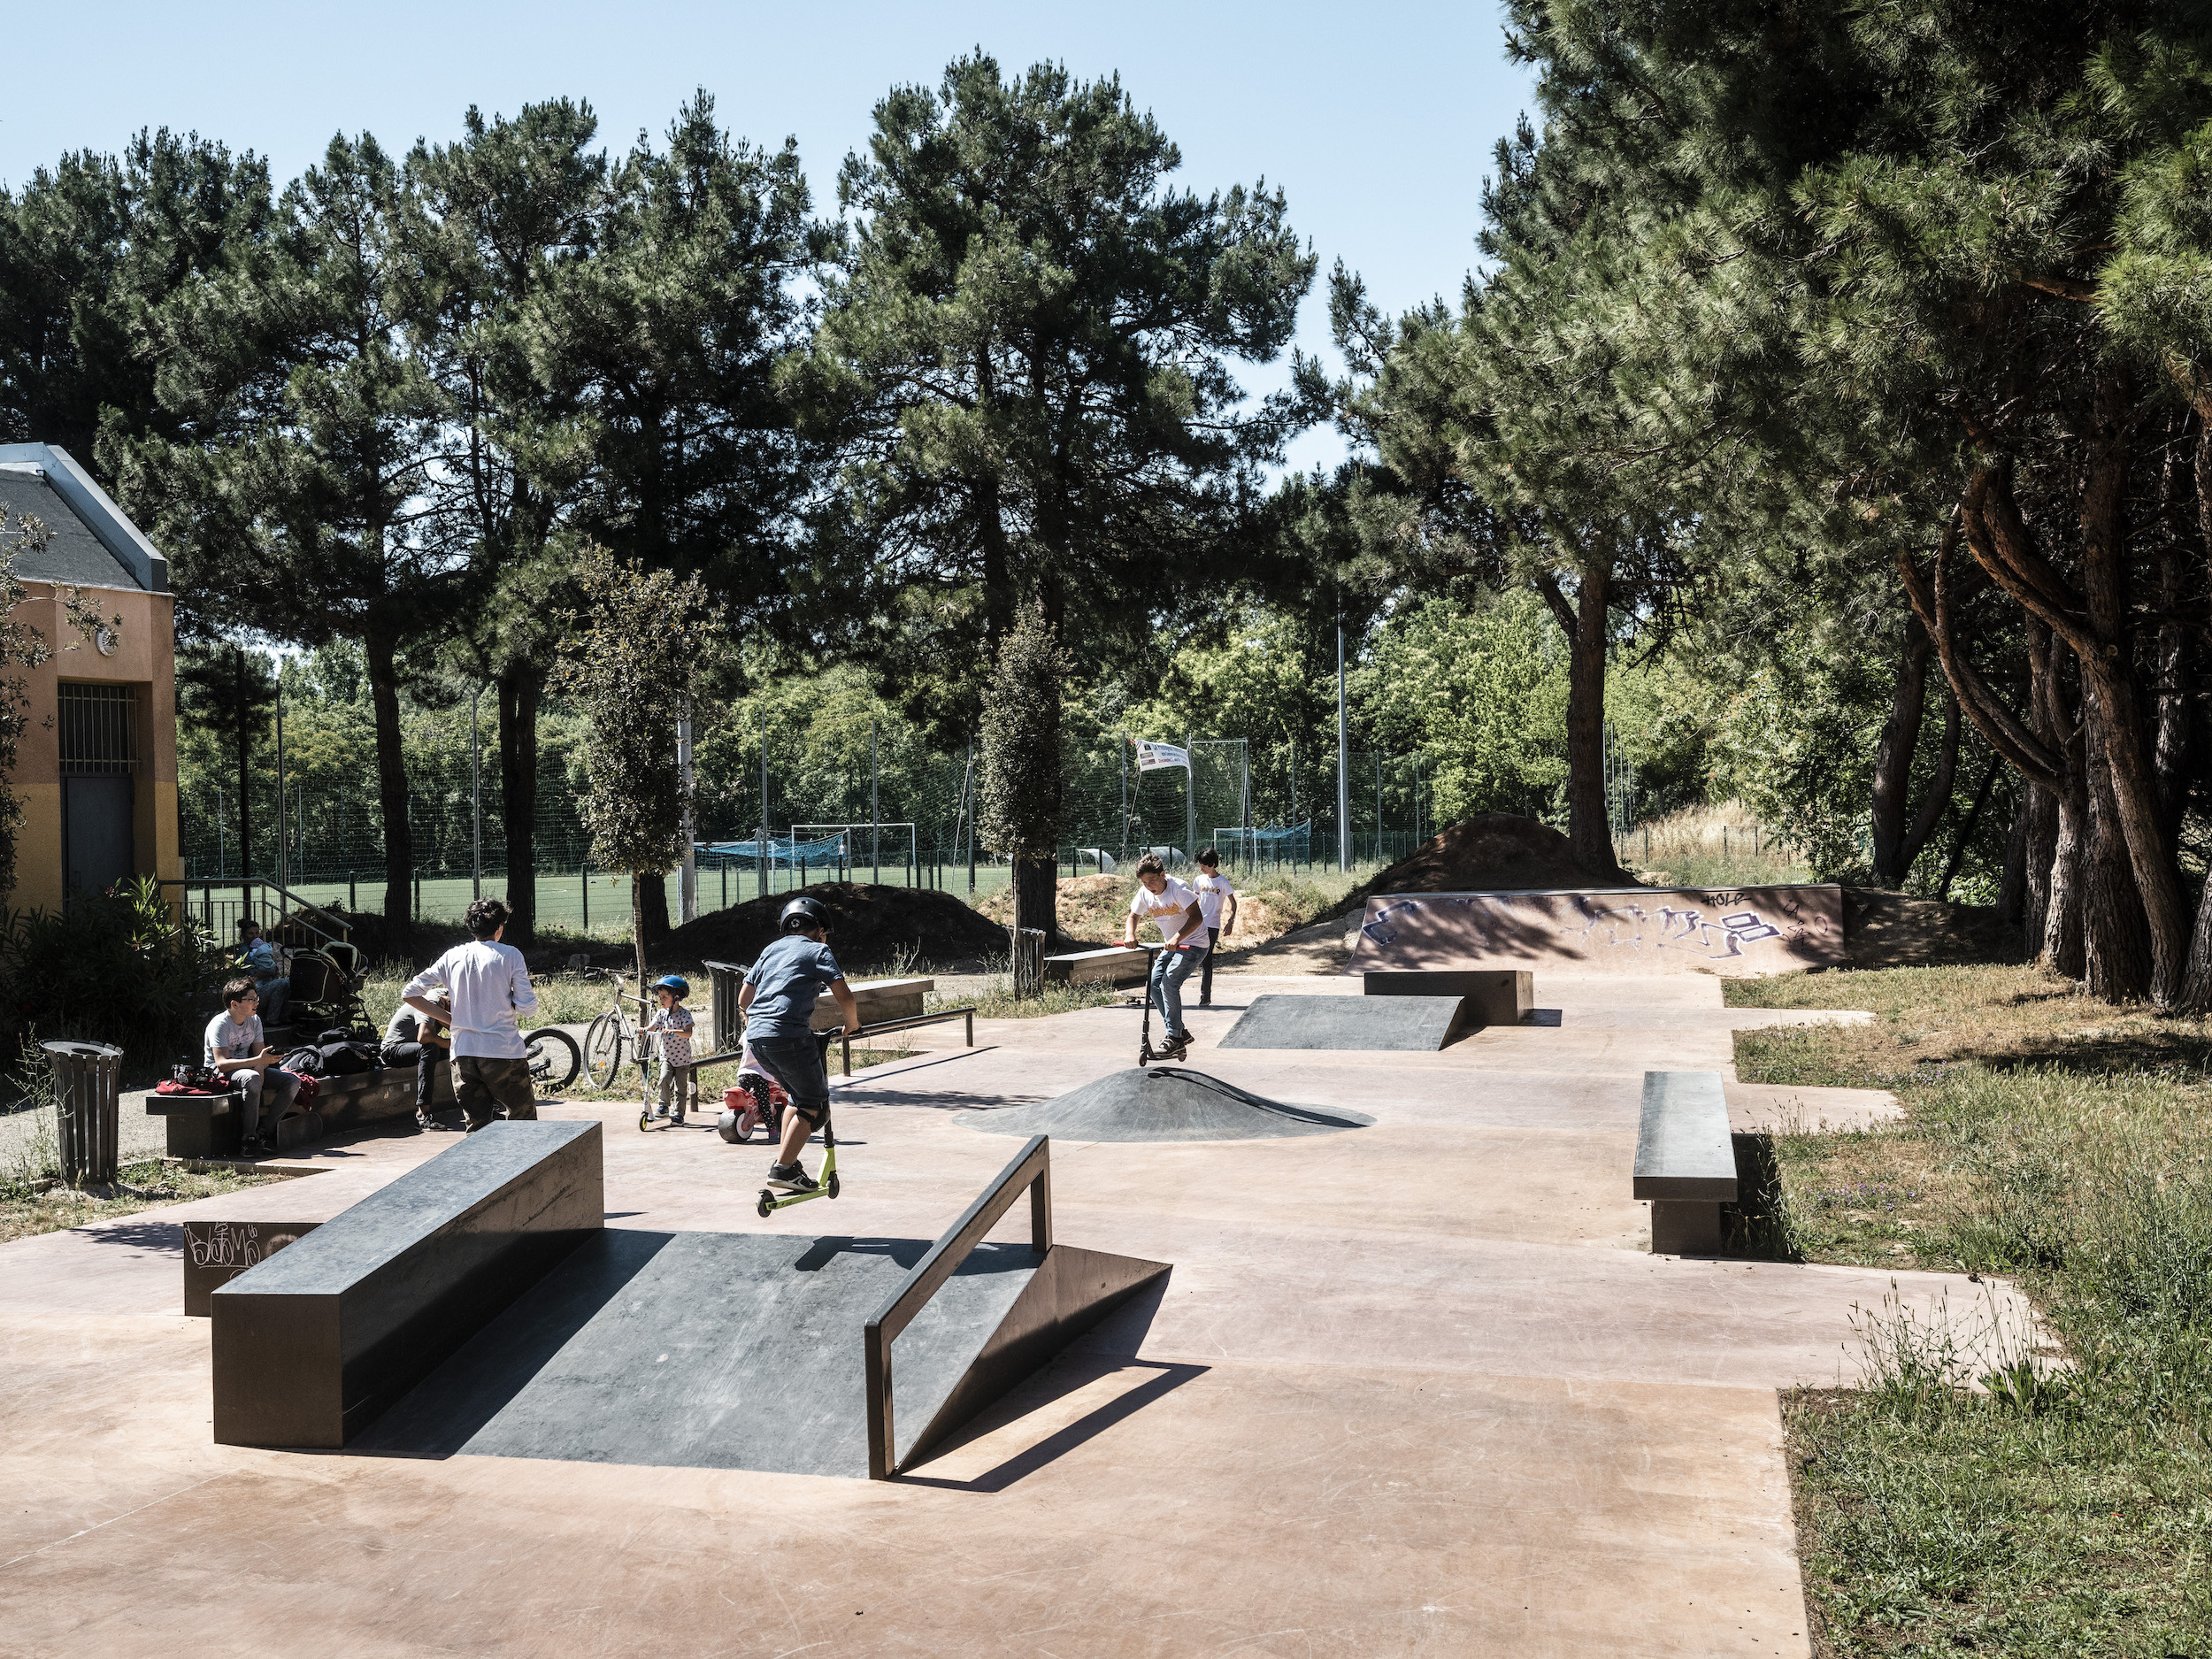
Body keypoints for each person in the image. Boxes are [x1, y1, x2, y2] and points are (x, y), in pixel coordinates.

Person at [739, 895, 860, 1193]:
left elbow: (744, 998)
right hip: (789, 1036)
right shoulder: (818, 950)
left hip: (757, 1038)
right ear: (820, 929)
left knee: (797, 1097)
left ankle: (789, 1165)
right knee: (815, 1104)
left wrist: (754, 1022)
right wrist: (852, 1024)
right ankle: (782, 1168)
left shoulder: (771, 949)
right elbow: (844, 995)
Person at [400, 897, 541, 1133]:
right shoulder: (510, 955)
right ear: (499, 928)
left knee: (477, 1127)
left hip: (463, 1055)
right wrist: (513, 997)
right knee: (523, 1124)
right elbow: (528, 1008)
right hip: (503, 1053)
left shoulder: (452, 956)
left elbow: (410, 993)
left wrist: (450, 1020)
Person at [1119, 854, 1206, 1059]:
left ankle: (1173, 1037)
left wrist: (1177, 937)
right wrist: (1130, 934)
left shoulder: (1178, 888)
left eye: (1152, 880)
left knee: (1169, 983)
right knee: (1153, 984)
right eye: (1144, 882)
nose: (1149, 886)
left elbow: (1197, 917)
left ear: (1163, 874)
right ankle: (1179, 1032)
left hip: (1194, 944)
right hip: (1172, 946)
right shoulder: (1144, 893)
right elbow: (1133, 916)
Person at [204, 975, 301, 1155]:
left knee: (293, 1081)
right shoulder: (220, 1024)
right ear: (235, 1004)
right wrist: (257, 1064)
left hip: (248, 1069)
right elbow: (222, 1064)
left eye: (257, 998)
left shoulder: (254, 1020)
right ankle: (248, 1139)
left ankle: (264, 1132)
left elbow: (259, 1054)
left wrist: (262, 1064)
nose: (256, 1003)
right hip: (220, 1073)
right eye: (251, 999)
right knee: (253, 1078)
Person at [380, 987, 456, 1132]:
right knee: (430, 1049)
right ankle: (423, 1114)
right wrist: (452, 1043)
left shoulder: (447, 999)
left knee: (461, 1050)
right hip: (392, 1049)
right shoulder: (432, 1002)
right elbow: (424, 1037)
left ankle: (477, 1105)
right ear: (444, 1002)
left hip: (412, 1047)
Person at [642, 974, 696, 1120]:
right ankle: (664, 1106)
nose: (661, 1001)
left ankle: (679, 1114)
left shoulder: (684, 1014)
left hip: (683, 1058)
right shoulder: (661, 1014)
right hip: (666, 1056)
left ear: (676, 997)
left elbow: (688, 1033)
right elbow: (653, 1026)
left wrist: (673, 1032)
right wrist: (645, 1030)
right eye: (660, 997)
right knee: (664, 1079)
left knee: (681, 1088)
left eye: (664, 997)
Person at [1192, 847, 1239, 1007]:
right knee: (1190, 956)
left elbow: (1233, 903)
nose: (1201, 868)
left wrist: (1230, 921)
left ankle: (1205, 996)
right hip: (1197, 924)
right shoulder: (1199, 880)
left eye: (1203, 865)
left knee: (1206, 960)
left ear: (1212, 864)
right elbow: (1193, 902)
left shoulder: (1223, 882)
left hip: (1212, 925)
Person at [236, 918, 290, 1027]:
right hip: (253, 990)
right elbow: (251, 975)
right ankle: (271, 1018)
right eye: (250, 934)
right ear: (243, 935)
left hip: (266, 985)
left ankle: (284, 1016)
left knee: (289, 982)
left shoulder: (262, 947)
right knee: (282, 983)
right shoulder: (243, 950)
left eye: (257, 933)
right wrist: (267, 971)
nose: (255, 936)